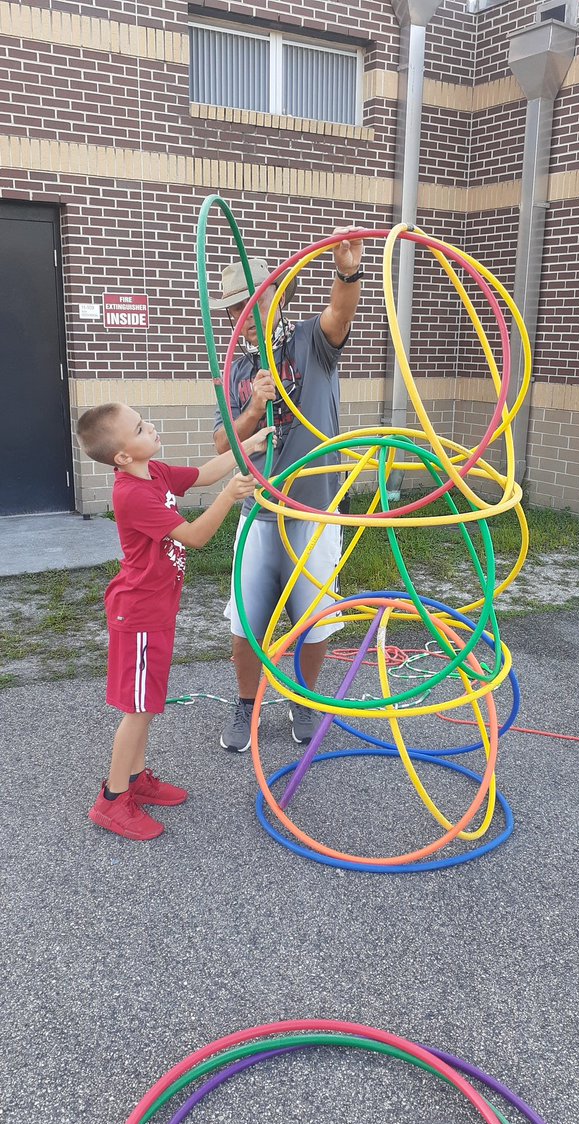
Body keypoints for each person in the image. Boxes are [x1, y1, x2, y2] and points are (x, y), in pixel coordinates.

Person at [76, 401, 272, 840]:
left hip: (155, 610)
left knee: (149, 703)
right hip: (139, 613)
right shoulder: (133, 493)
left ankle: (137, 778)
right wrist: (230, 495)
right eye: (141, 428)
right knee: (139, 709)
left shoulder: (155, 472)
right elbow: (196, 537)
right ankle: (111, 799)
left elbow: (203, 474)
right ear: (123, 456)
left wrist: (247, 445)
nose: (152, 428)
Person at [212, 228, 364, 753]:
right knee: (247, 617)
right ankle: (247, 702)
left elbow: (340, 315)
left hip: (314, 507)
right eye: (233, 310)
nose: (240, 317)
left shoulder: (309, 342)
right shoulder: (234, 364)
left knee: (313, 618)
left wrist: (346, 273)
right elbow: (219, 442)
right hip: (259, 510)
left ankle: (302, 699)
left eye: (249, 304)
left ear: (276, 298)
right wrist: (252, 408)